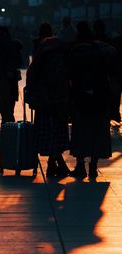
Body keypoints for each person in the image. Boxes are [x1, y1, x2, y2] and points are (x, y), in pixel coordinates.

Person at [68, 21, 116, 181]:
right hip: (101, 96)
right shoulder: (103, 49)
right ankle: (93, 166)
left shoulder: (74, 51)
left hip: (80, 96)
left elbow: (70, 74)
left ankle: (80, 165)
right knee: (98, 130)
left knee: (81, 130)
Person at [26, 36, 70, 178]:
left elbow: (31, 77)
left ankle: (53, 165)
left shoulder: (40, 59)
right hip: (59, 102)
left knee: (48, 133)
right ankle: (57, 165)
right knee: (57, 132)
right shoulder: (62, 58)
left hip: (43, 102)